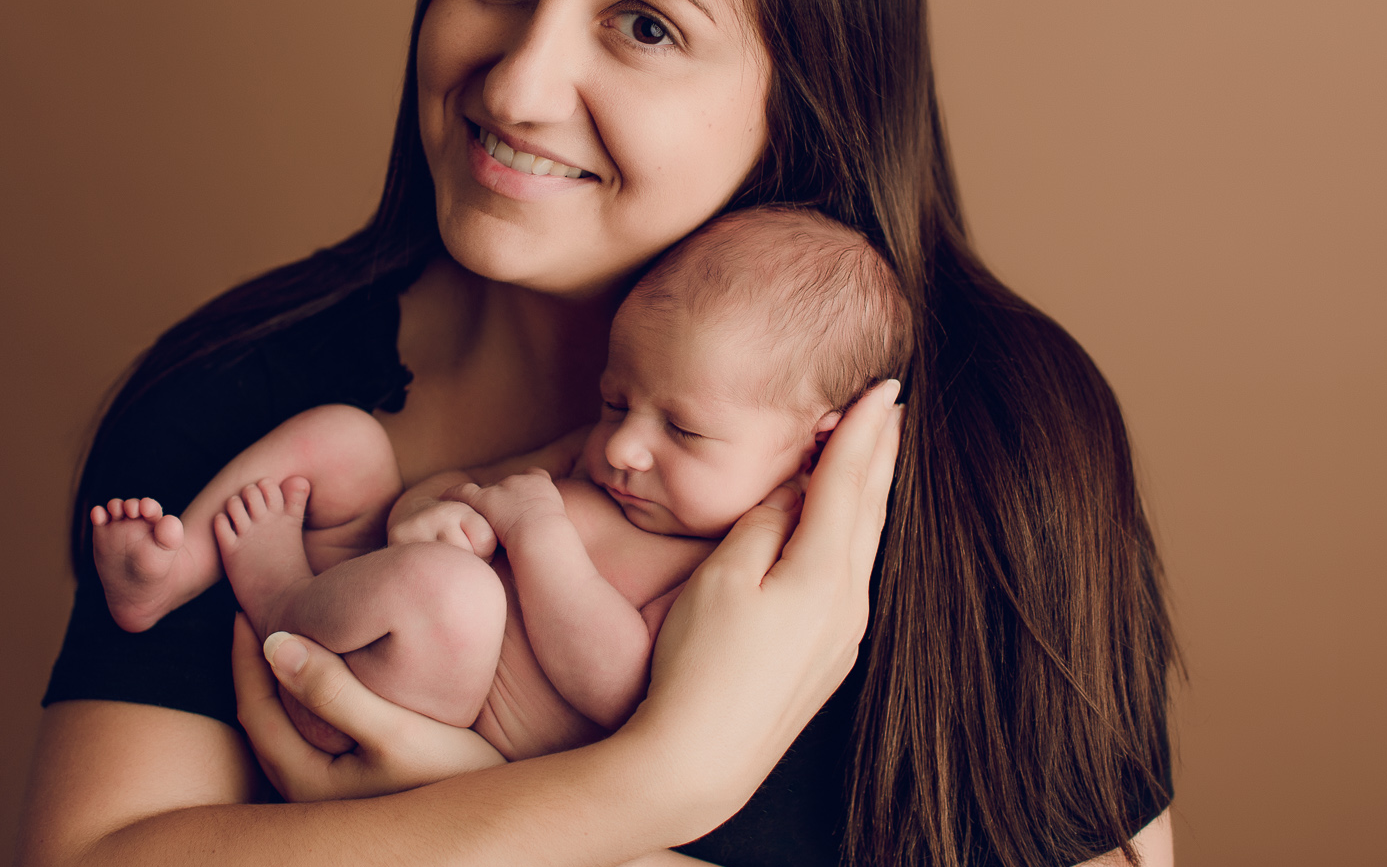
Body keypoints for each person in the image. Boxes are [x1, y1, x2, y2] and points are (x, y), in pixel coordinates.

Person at [14, 0, 1176, 867]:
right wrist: (638, 786)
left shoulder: (990, 441)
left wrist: (589, 820)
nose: (513, 83)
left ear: (806, 95)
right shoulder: (249, 397)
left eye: (644, 23)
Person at [88, 207, 905, 761]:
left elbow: (623, 686)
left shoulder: (728, 564)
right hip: (381, 597)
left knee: (459, 600)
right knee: (347, 436)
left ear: (812, 449)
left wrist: (531, 534)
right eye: (617, 399)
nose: (623, 444)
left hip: (401, 710)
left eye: (682, 429)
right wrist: (433, 513)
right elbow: (460, 486)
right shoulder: (601, 457)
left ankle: (275, 597)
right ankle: (170, 567)